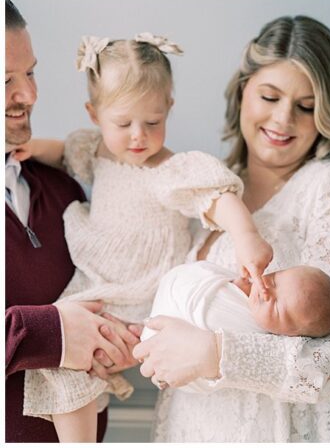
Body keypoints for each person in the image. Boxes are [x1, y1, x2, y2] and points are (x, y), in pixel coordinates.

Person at [14, 33, 273, 442]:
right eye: (123, 123)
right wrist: (24, 148)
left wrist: (247, 235)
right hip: (97, 280)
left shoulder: (170, 170)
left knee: (70, 360)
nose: (138, 136)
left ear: (169, 107)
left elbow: (216, 196)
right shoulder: (95, 151)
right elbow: (63, 151)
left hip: (142, 289)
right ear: (94, 114)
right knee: (60, 354)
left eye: (152, 123)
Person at [130, 15, 330, 442]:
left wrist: (217, 354)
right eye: (270, 96)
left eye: (305, 106)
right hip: (188, 426)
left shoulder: (326, 188)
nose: (283, 119)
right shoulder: (204, 187)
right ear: (243, 88)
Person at [4, 0, 138, 442]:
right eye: (5, 80)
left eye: (30, 72)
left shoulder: (64, 190)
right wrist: (55, 332)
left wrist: (113, 337)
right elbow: (61, 329)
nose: (28, 95)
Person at [143, 261, 330, 370]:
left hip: (176, 342)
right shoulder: (247, 284)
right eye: (274, 280)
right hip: (175, 292)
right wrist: (234, 284)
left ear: (290, 336)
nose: (266, 292)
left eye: (278, 307)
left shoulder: (258, 339)